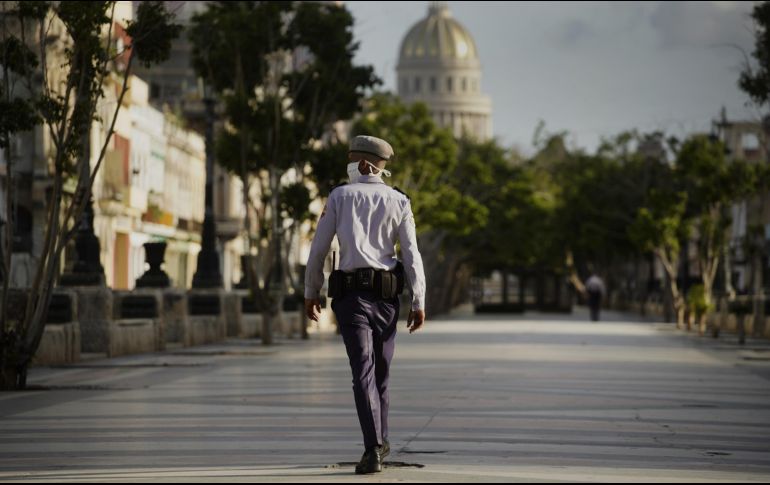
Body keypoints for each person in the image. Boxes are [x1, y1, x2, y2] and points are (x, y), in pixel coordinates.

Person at [304, 135, 426, 475]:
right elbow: (412, 255)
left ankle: (378, 444)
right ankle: (374, 445)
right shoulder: (400, 201)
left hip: (352, 299)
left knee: (366, 373)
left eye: (351, 159)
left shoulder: (339, 196)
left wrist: (310, 291)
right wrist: (419, 300)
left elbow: (318, 248)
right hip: (387, 299)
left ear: (362, 164)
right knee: (378, 374)